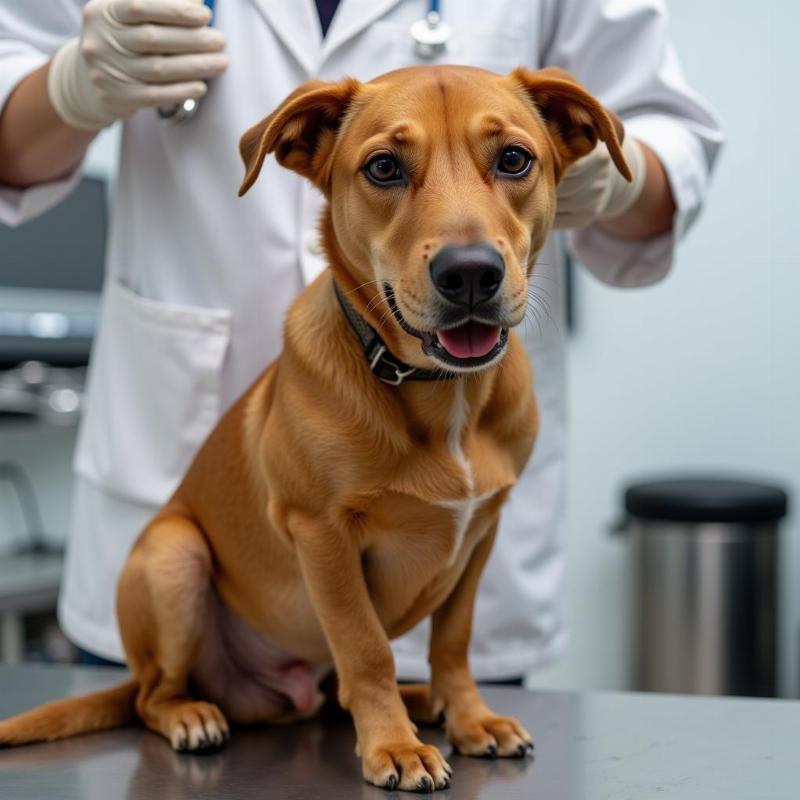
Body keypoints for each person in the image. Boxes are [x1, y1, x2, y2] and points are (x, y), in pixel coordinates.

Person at [0, 0, 722, 680]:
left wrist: (622, 179)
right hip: (207, 573)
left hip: (455, 567)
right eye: (385, 167)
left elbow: (672, 132)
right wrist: (70, 86)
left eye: (509, 161)